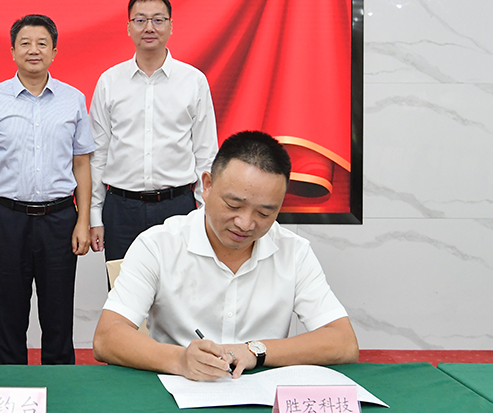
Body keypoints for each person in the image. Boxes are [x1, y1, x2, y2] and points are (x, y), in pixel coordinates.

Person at [92, 131, 358, 381]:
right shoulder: (158, 245)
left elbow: (343, 342)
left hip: (260, 397)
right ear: (207, 186)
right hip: (176, 390)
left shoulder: (294, 252)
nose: (245, 223)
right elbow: (107, 337)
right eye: (233, 205)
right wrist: (180, 360)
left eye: (264, 213)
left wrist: (256, 351)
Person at [0, 14, 94, 365]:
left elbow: (82, 164)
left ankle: (62, 386)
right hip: (7, 218)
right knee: (9, 314)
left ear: (54, 52)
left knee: (58, 315)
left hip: (60, 219)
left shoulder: (73, 99)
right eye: (25, 43)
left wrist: (83, 221)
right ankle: (11, 386)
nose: (33, 50)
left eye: (41, 43)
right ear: (12, 51)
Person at [89, 0, 218, 262]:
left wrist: (205, 214)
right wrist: (94, 215)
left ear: (171, 26)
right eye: (140, 20)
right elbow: (98, 155)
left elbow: (206, 153)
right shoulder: (110, 81)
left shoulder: (193, 81)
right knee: (123, 286)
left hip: (177, 208)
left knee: (178, 287)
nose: (149, 27)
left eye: (158, 20)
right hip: (121, 210)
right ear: (129, 27)